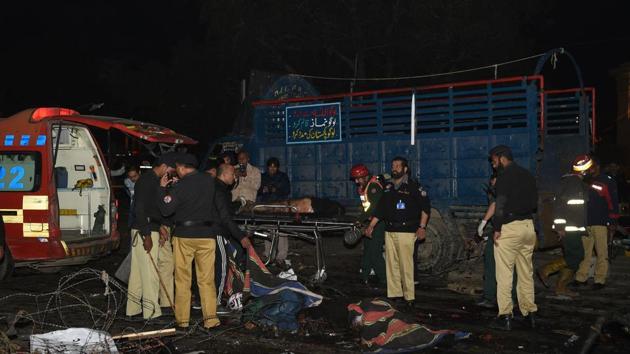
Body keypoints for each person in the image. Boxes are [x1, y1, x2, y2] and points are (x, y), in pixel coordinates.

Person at [158, 153, 251, 329]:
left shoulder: (181, 185)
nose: (177, 171)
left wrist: (163, 189)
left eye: (178, 167)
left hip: (184, 236)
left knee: (183, 280)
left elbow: (166, 209)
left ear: (183, 167)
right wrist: (239, 235)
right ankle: (211, 320)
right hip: (207, 236)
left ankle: (183, 321)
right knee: (207, 280)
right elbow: (222, 212)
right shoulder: (210, 182)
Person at [366, 157, 430, 308]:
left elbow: (425, 208)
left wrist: (422, 227)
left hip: (406, 231)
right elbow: (380, 209)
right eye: (393, 166)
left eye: (397, 166)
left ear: (405, 169)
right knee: (391, 264)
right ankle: (395, 295)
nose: (394, 168)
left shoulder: (414, 186)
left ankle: (409, 297)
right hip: (390, 230)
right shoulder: (388, 187)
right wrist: (371, 226)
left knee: (405, 265)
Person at [487, 145, 538, 331]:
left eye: (493, 161)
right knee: (526, 273)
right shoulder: (527, 175)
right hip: (528, 227)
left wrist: (497, 227)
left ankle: (505, 315)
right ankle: (529, 313)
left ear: (501, 158)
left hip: (510, 228)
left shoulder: (504, 177)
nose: (493, 166)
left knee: (505, 274)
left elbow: (500, 204)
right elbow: (534, 203)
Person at [126, 154, 176, 320]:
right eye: (171, 170)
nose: (171, 173)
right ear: (164, 165)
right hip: (144, 230)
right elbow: (140, 209)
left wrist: (160, 226)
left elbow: (152, 209)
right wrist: (147, 234)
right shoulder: (147, 181)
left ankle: (133, 311)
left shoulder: (153, 181)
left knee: (138, 274)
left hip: (144, 228)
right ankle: (152, 313)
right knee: (150, 274)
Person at [538, 157, 589, 297]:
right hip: (569, 228)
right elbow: (560, 206)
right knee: (576, 257)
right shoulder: (572, 183)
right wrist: (560, 226)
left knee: (573, 257)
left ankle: (561, 287)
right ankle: (546, 270)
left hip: (574, 228)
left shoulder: (575, 183)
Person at [573, 155, 619, 290]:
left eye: (591, 167)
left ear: (597, 166)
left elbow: (613, 203)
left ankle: (600, 280)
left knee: (602, 253)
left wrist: (612, 221)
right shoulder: (584, 180)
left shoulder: (607, 181)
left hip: (600, 222)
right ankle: (581, 278)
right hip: (586, 222)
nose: (588, 169)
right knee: (585, 252)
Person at [350, 164, 386, 288]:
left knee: (375, 253)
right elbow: (366, 207)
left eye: (358, 178)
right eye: (355, 178)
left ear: (365, 176)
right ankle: (364, 276)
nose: (356, 181)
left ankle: (385, 280)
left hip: (378, 223)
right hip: (369, 222)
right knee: (367, 250)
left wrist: (359, 220)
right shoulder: (363, 187)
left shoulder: (373, 187)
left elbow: (374, 208)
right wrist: (362, 220)